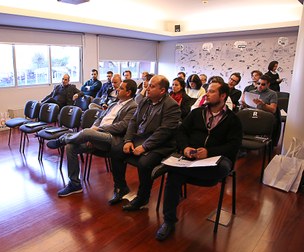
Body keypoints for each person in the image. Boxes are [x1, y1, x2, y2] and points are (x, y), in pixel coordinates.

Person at [155, 79, 242, 241]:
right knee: (174, 178)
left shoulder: (233, 120)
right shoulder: (197, 113)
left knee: (221, 168)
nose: (206, 94)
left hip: (215, 161)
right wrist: (185, 147)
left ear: (222, 96)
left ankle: (172, 167)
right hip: (191, 156)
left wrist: (209, 152)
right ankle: (169, 221)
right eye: (207, 90)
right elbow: (181, 132)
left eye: (211, 91)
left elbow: (233, 146)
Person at [46, 79, 138, 197]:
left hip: (111, 138)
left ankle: (62, 139)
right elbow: (100, 118)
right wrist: (94, 130)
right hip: (97, 135)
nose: (117, 89)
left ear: (128, 92)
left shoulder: (133, 107)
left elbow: (123, 126)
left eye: (120, 88)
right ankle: (75, 184)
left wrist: (97, 131)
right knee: (71, 147)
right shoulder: (115, 104)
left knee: (87, 132)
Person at [110, 75, 181, 210]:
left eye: (152, 86)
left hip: (161, 145)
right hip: (140, 138)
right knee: (115, 150)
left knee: (144, 163)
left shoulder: (171, 106)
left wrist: (145, 147)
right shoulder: (144, 101)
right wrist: (128, 140)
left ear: (162, 91)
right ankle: (121, 187)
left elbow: (164, 132)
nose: (147, 88)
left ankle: (142, 198)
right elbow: (133, 121)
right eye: (148, 85)